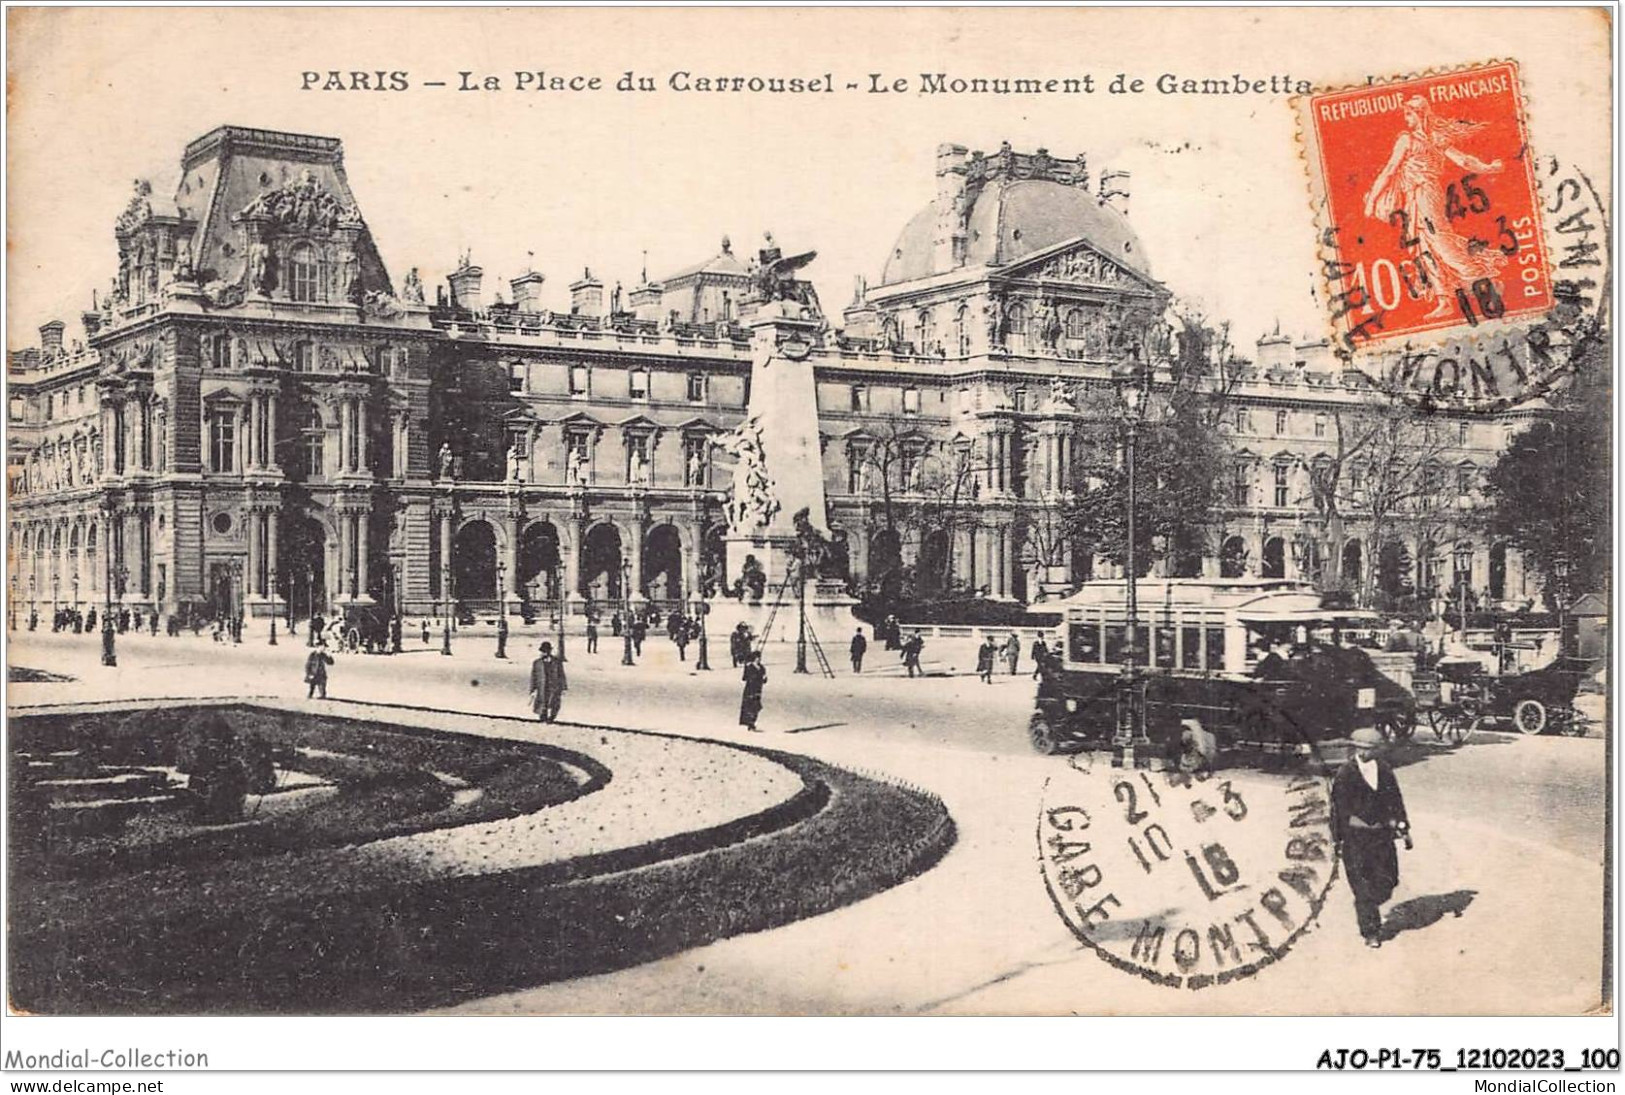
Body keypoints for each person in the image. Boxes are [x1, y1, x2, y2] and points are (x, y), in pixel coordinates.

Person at [1332, 727, 1412, 948]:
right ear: (1357, 749)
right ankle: (1371, 931)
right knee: (1362, 887)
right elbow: (1338, 810)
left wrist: (1402, 823)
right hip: (1356, 838)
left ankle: (1372, 905)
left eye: (1373, 749)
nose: (1370, 753)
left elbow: (1395, 798)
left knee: (1388, 880)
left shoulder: (1384, 770)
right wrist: (1337, 840)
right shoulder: (1345, 774)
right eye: (1366, 749)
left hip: (1382, 836)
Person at [529, 641, 568, 723]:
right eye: (542, 651)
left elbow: (561, 675)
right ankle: (543, 718)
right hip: (542, 686)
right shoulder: (537, 663)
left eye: (545, 651)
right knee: (542, 702)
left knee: (554, 703)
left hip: (554, 686)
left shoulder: (556, 662)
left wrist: (564, 687)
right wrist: (532, 689)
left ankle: (552, 718)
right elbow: (533, 677)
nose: (544, 653)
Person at [739, 650, 767, 732]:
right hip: (750, 690)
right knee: (750, 707)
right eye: (757, 658)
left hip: (758, 690)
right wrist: (746, 668)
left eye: (759, 658)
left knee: (756, 707)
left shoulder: (762, 668)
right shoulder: (749, 667)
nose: (758, 659)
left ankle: (752, 722)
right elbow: (744, 678)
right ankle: (750, 724)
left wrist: (764, 678)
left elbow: (764, 680)